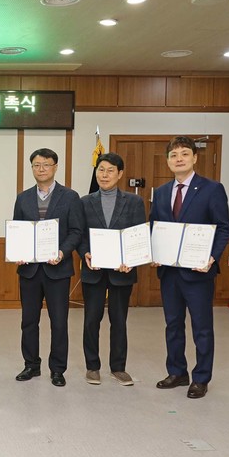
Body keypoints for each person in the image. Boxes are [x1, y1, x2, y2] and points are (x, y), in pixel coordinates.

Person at [150, 136, 229, 399]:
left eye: (185, 153)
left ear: (195, 158)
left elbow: (223, 227)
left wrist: (212, 257)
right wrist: (154, 252)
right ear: (168, 161)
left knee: (201, 327)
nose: (179, 159)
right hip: (169, 272)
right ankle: (177, 372)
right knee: (173, 325)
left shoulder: (212, 189)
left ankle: (201, 378)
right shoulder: (161, 192)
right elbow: (155, 226)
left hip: (198, 272)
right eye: (173, 155)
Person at [12, 148, 83, 387]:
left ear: (55, 167)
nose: (41, 169)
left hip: (58, 270)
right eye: (36, 165)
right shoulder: (23, 198)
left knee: (59, 321)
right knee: (28, 321)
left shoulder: (70, 197)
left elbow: (76, 231)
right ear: (32, 168)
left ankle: (58, 369)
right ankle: (31, 365)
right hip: (30, 271)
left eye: (46, 164)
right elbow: (18, 231)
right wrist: (18, 252)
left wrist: (62, 252)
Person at [77, 153, 146, 386]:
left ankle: (118, 368)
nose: (104, 175)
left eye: (110, 170)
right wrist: (85, 253)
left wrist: (132, 259)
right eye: (100, 170)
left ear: (120, 174)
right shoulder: (85, 202)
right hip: (93, 270)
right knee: (91, 320)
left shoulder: (134, 202)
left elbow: (138, 235)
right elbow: (79, 234)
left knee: (119, 320)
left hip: (122, 272)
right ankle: (92, 367)